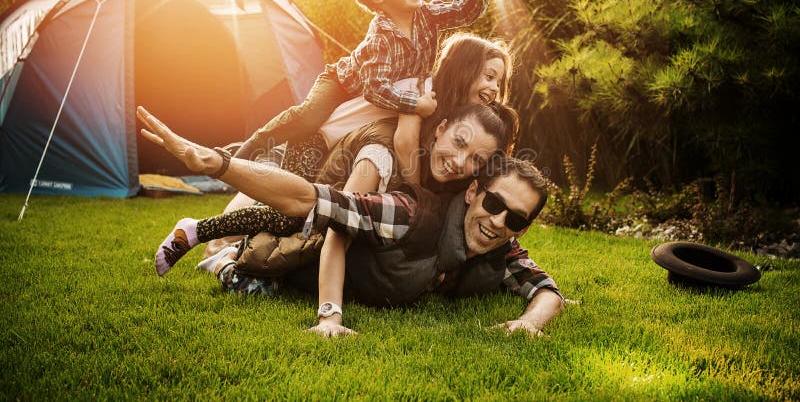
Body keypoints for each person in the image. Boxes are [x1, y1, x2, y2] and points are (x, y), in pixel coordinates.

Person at [137, 107, 564, 338]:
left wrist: (529, 323)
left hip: (325, 214)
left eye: (515, 218)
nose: (498, 220)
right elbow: (315, 200)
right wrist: (220, 163)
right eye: (494, 203)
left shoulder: (496, 243)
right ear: (475, 193)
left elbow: (546, 290)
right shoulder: (406, 206)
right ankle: (217, 246)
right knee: (263, 262)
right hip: (307, 234)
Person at [205, 32, 513, 255]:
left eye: (498, 82)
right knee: (282, 195)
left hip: (347, 148)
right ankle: (217, 240)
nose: (493, 88)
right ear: (464, 69)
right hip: (326, 137)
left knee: (292, 199)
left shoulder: (453, 114)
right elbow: (405, 142)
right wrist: (415, 195)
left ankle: (224, 238)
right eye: (488, 76)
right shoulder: (423, 89)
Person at [232, 0, 497, 173]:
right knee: (310, 118)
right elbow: (375, 88)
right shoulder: (381, 36)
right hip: (341, 83)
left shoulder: (427, 15)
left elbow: (464, 12)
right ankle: (249, 147)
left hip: (384, 89)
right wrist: (415, 104)